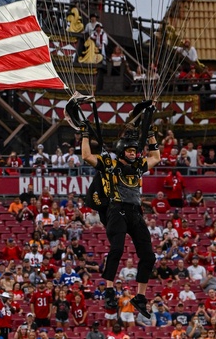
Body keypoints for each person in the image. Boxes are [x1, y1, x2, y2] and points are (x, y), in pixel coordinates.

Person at [71, 95, 159, 318]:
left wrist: (150, 134)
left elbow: (156, 156)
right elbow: (87, 156)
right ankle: (109, 289)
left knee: (149, 256)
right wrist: (84, 134)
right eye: (130, 151)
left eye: (134, 151)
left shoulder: (138, 165)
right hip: (116, 210)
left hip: (135, 212)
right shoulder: (109, 165)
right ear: (122, 152)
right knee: (117, 248)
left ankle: (140, 297)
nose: (134, 153)